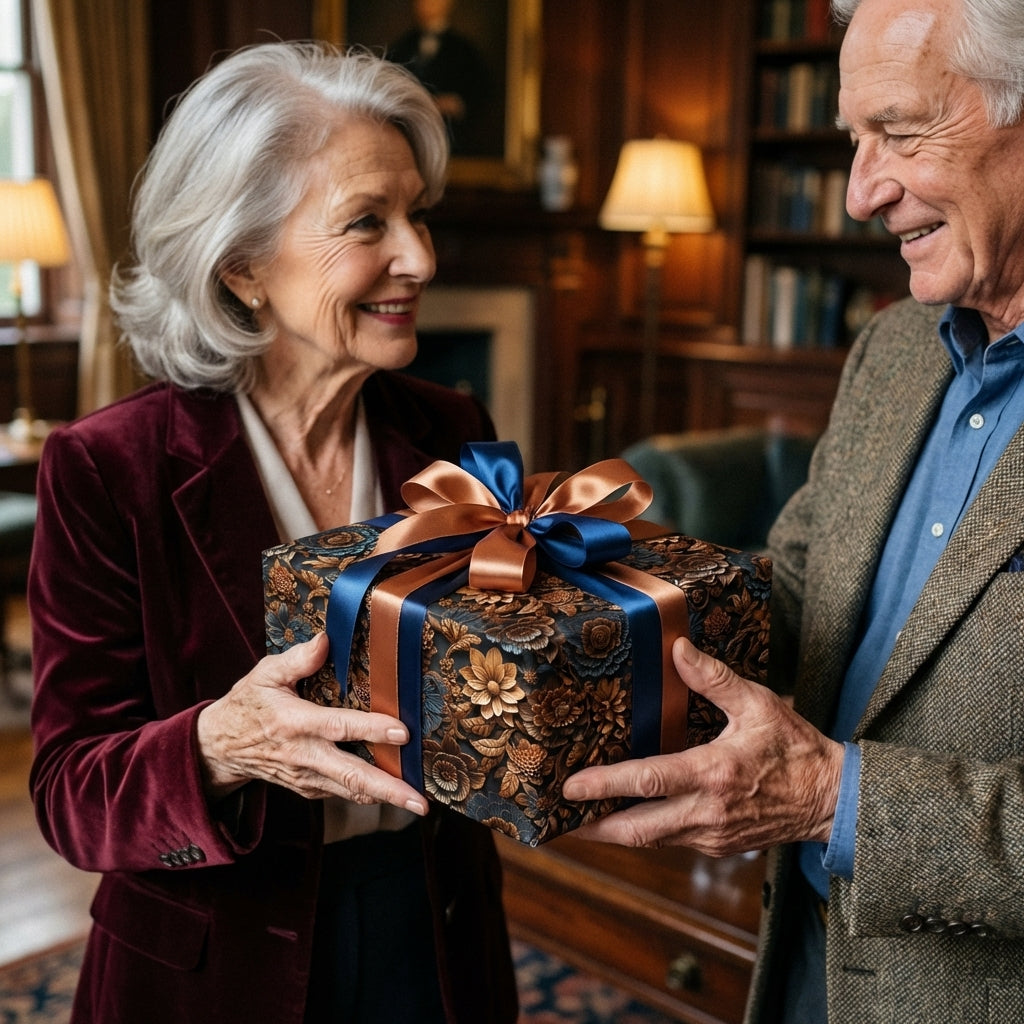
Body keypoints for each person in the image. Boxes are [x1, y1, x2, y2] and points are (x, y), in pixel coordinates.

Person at [27, 42, 517, 1024]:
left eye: (416, 213)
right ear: (243, 264)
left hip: (431, 926)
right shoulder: (110, 466)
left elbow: (491, 671)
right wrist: (219, 741)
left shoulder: (452, 428)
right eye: (365, 222)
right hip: (212, 961)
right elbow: (70, 792)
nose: (418, 256)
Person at [562, 0, 1024, 1021]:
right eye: (854, 140)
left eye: (899, 133)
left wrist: (832, 797)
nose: (862, 193)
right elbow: (797, 591)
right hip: (801, 963)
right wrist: (596, 610)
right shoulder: (893, 349)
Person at [386, 0, 497, 157]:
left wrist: (453, 103)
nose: (425, 5)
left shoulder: (464, 49)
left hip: (452, 141)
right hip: (410, 138)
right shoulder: (403, 46)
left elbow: (480, 93)